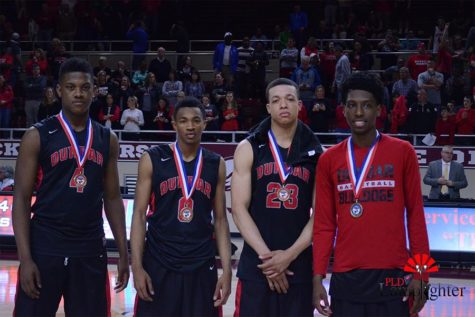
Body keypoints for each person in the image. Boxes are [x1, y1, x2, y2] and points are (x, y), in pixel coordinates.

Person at [12, 57, 129, 316]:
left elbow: (112, 198)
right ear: (59, 90)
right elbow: (20, 198)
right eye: (71, 87)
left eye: (85, 87)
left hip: (89, 248)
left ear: (94, 91)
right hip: (45, 246)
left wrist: (123, 252)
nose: (78, 93)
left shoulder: (106, 139)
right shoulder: (37, 136)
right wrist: (25, 258)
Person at [313, 72, 430, 317]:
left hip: (393, 275)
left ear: (379, 110)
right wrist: (318, 277)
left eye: (366, 105)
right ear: (343, 110)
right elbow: (324, 225)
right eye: (352, 105)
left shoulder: (403, 152)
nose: (358, 113)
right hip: (346, 277)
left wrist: (420, 273)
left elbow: (416, 217)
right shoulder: (328, 159)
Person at [131, 97, 232, 316]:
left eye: (196, 120)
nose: (190, 126)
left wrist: (227, 270)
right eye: (184, 121)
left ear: (205, 123)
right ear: (174, 124)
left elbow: (221, 220)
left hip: (201, 263)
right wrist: (137, 267)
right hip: (159, 261)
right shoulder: (153, 158)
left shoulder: (216, 164)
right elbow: (138, 215)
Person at [232, 78, 322, 316]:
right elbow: (239, 210)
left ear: (300, 105)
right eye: (276, 100)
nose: (284, 105)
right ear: (268, 107)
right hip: (257, 266)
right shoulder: (248, 147)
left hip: (298, 267)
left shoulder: (316, 153)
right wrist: (270, 262)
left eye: (290, 99)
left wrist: (288, 256)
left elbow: (320, 214)